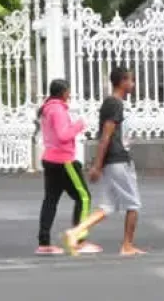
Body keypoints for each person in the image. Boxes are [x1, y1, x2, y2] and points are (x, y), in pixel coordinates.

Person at [63, 64, 145, 257]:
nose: (133, 84)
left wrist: (100, 163)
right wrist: (97, 165)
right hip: (118, 160)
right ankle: (127, 246)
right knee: (133, 205)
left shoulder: (113, 103)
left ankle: (75, 232)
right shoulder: (115, 103)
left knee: (107, 206)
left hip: (112, 160)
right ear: (123, 82)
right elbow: (106, 135)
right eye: (131, 80)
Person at [35, 79, 100, 256]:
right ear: (63, 92)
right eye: (68, 91)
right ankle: (79, 240)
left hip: (50, 159)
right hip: (64, 161)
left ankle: (44, 243)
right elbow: (63, 135)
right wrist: (79, 125)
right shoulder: (58, 110)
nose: (69, 95)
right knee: (84, 197)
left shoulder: (48, 108)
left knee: (50, 200)